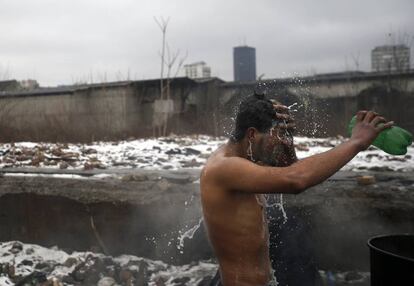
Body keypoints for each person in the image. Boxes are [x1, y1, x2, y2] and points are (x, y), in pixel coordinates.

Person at [200, 93, 393, 286]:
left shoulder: (247, 156)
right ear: (252, 134)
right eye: (273, 137)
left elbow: (287, 167)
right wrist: (356, 142)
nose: (277, 143)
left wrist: (286, 139)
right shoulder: (224, 167)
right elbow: (295, 179)